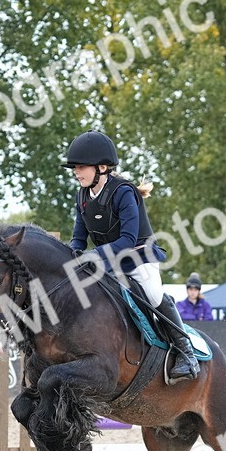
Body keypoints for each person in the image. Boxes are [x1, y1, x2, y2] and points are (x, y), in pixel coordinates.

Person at [64, 130, 199, 380]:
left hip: (138, 259)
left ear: (101, 167)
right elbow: (79, 237)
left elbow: (127, 240)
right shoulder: (82, 195)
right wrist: (71, 256)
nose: (76, 171)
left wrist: (93, 256)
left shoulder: (124, 192)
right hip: (108, 263)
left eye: (81, 166)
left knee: (154, 296)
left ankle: (186, 353)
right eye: (75, 167)